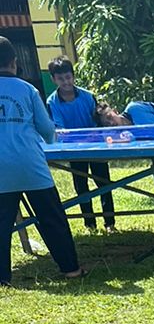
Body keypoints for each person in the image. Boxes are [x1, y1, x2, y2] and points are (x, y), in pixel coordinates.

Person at [0, 36, 84, 287]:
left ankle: (3, 278)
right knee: (52, 218)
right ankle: (71, 270)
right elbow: (47, 130)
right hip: (31, 166)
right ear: (14, 62)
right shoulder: (27, 89)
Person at [45, 56, 116, 233]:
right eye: (61, 78)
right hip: (73, 150)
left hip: (96, 148)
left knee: (104, 184)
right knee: (81, 186)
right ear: (53, 79)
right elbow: (60, 129)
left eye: (68, 77)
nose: (66, 82)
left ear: (73, 76)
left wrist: (92, 137)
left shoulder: (88, 96)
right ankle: (90, 224)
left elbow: (97, 122)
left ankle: (110, 223)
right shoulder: (52, 102)